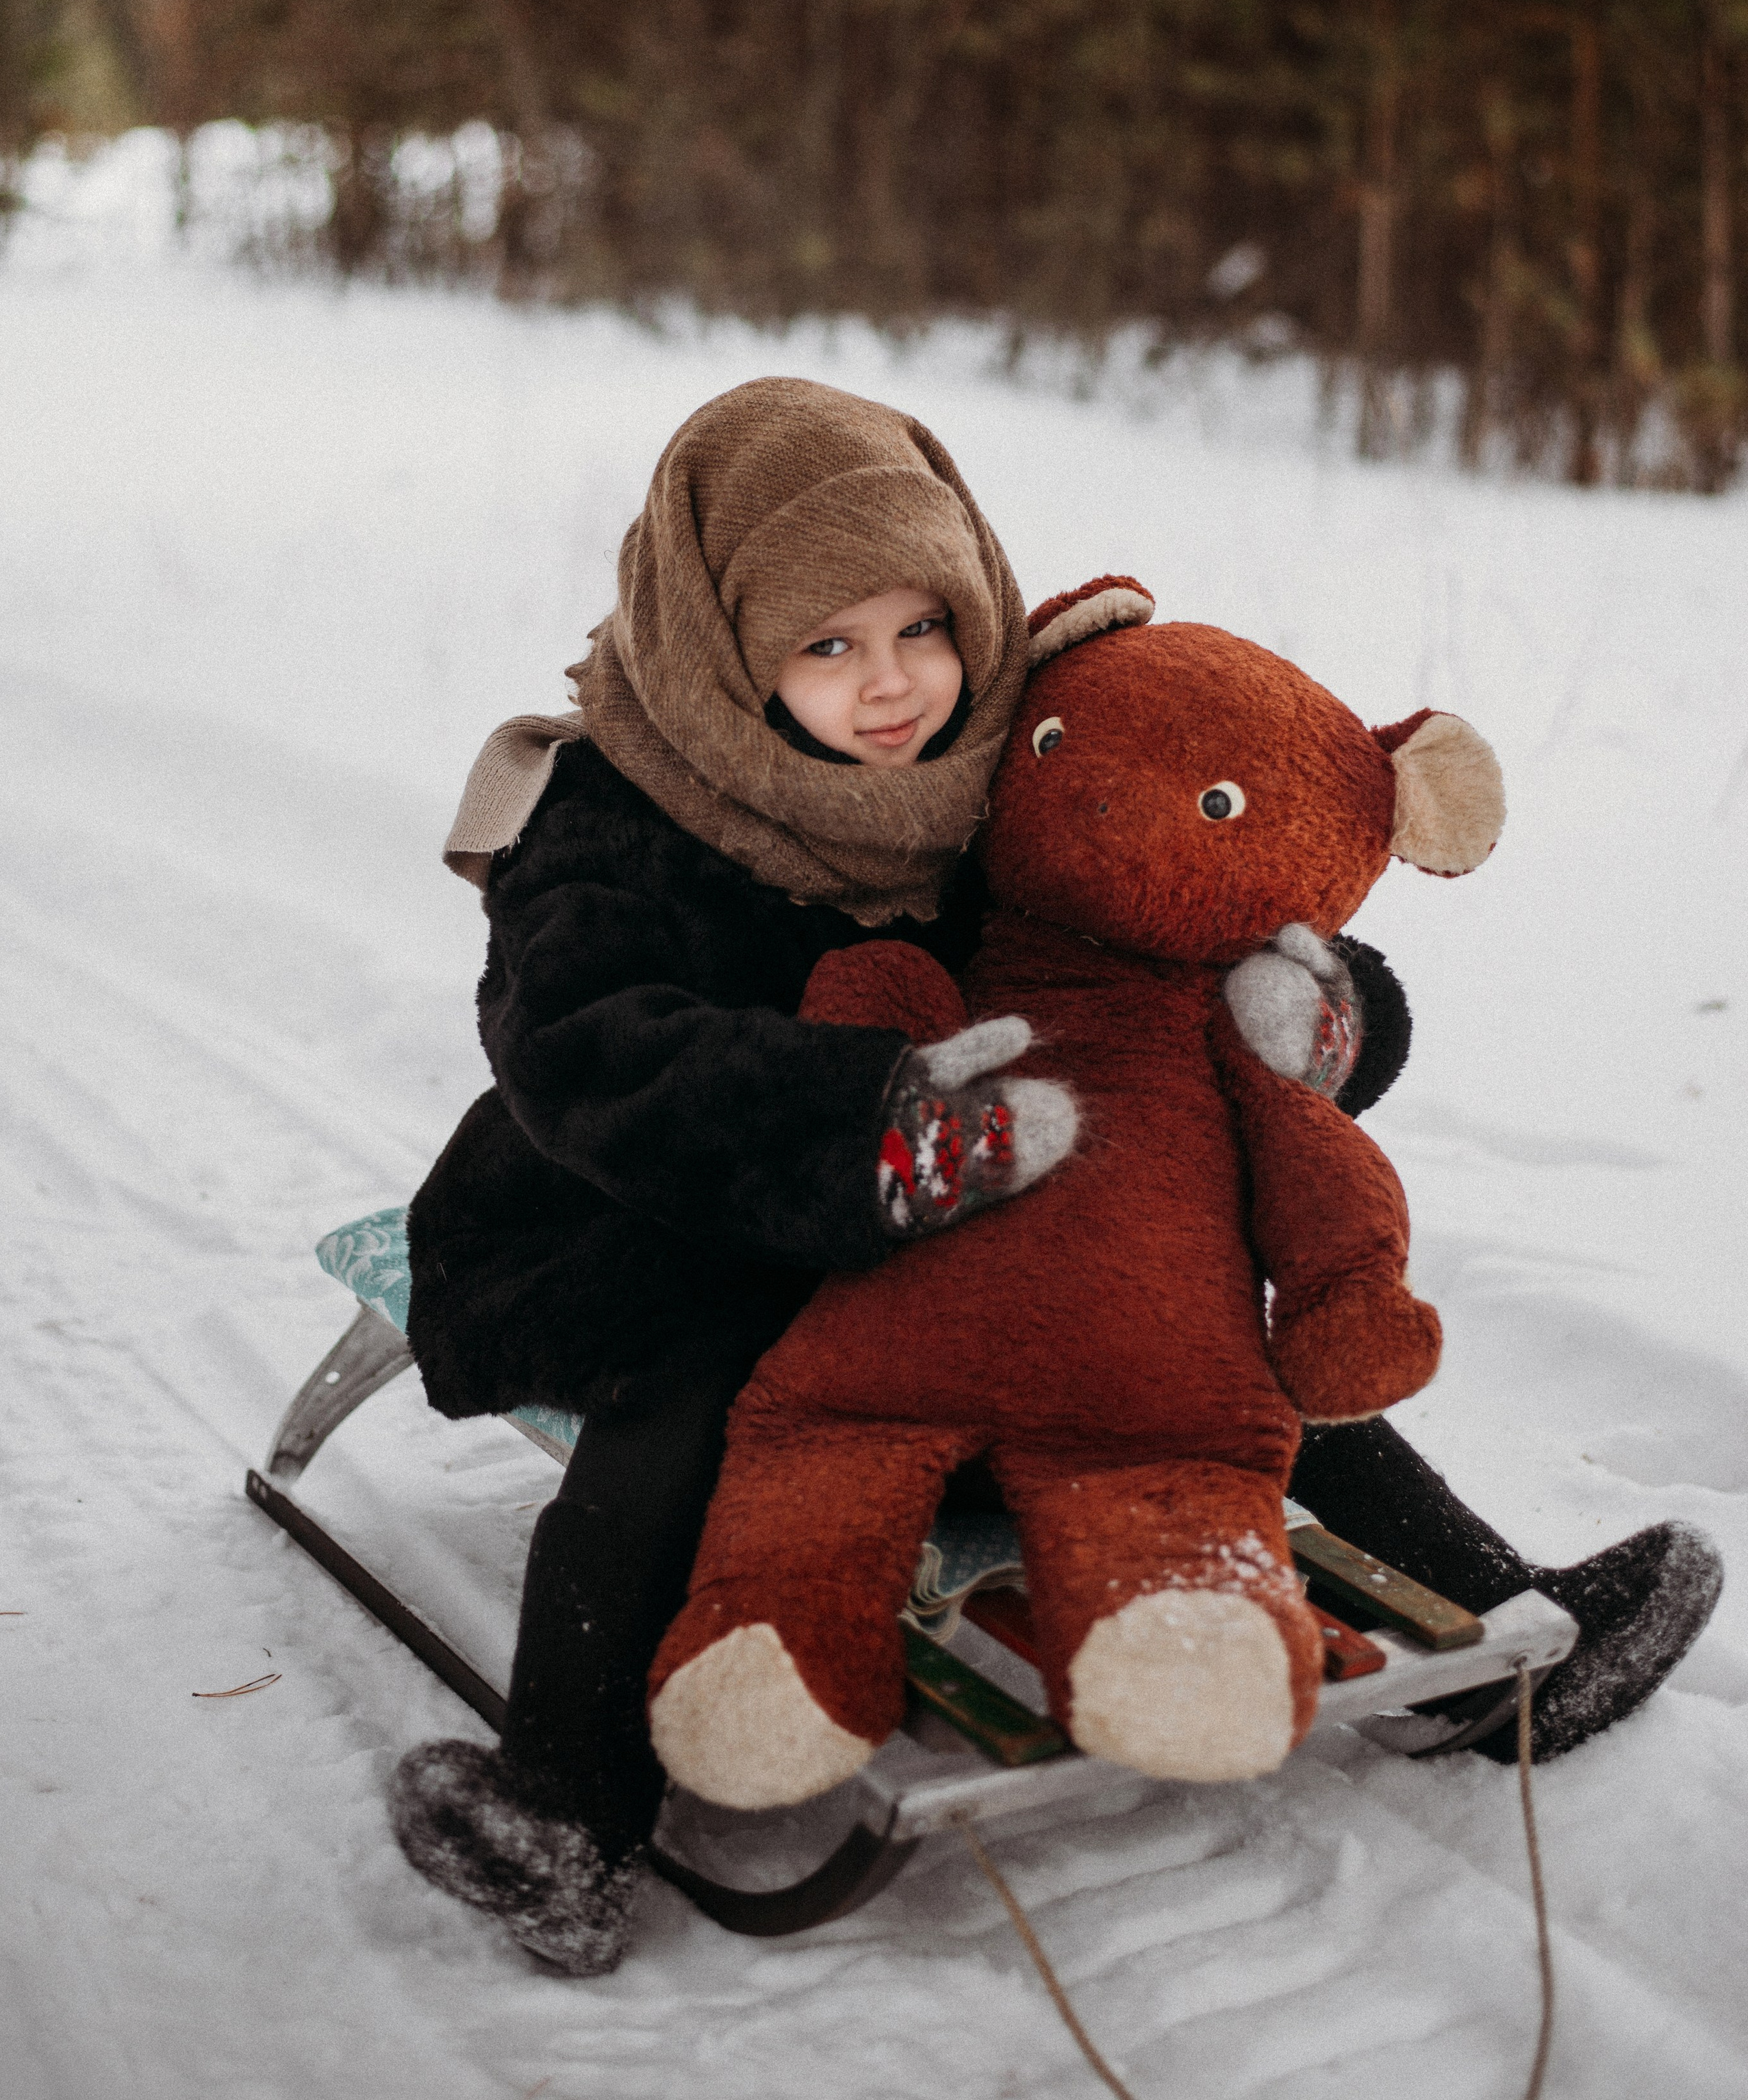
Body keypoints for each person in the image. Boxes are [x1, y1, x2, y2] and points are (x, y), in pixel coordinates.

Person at [388, 377, 1720, 1976]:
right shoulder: (609, 807)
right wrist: (865, 1125)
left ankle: (1497, 1625)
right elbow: (588, 1051)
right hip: (645, 1214)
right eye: (824, 645)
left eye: (921, 629)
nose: (888, 687)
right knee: (679, 1392)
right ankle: (564, 1802)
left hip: (981, 1220)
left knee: (1189, 1304)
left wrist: (1315, 1017)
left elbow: (1161, 893)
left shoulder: (991, 750)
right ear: (724, 641)